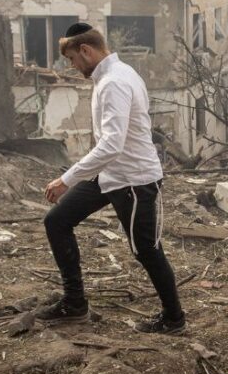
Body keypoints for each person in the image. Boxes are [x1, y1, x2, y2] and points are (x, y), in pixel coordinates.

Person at [37, 22, 185, 334]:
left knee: (146, 250)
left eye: (73, 60)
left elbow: (112, 144)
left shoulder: (114, 82)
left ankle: (174, 319)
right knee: (57, 221)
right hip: (110, 174)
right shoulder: (115, 75)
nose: (73, 67)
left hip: (134, 179)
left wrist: (68, 178)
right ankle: (74, 304)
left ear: (86, 51)